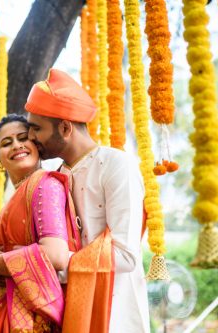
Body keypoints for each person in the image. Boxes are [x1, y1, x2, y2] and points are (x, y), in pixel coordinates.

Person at [25, 68, 150, 333]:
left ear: (65, 127)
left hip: (115, 315)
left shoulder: (117, 165)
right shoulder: (55, 177)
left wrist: (58, 261)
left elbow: (126, 256)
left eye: (36, 128)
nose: (31, 137)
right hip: (70, 313)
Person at [0, 114, 81, 332]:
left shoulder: (45, 184)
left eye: (23, 138)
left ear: (37, 146)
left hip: (23, 317)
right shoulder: (17, 196)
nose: (16, 145)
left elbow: (56, 255)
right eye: (6, 143)